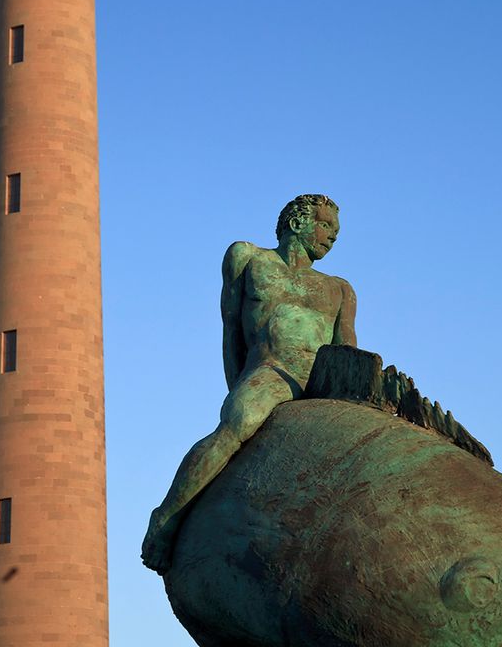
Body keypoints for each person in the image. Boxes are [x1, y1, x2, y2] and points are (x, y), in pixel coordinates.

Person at [141, 193, 357, 574]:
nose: (333, 237)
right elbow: (230, 332)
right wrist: (237, 385)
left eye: (336, 232)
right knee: (236, 426)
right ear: (297, 223)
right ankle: (167, 518)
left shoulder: (340, 288)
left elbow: (347, 351)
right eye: (326, 226)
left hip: (321, 380)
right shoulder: (248, 258)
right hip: (271, 372)